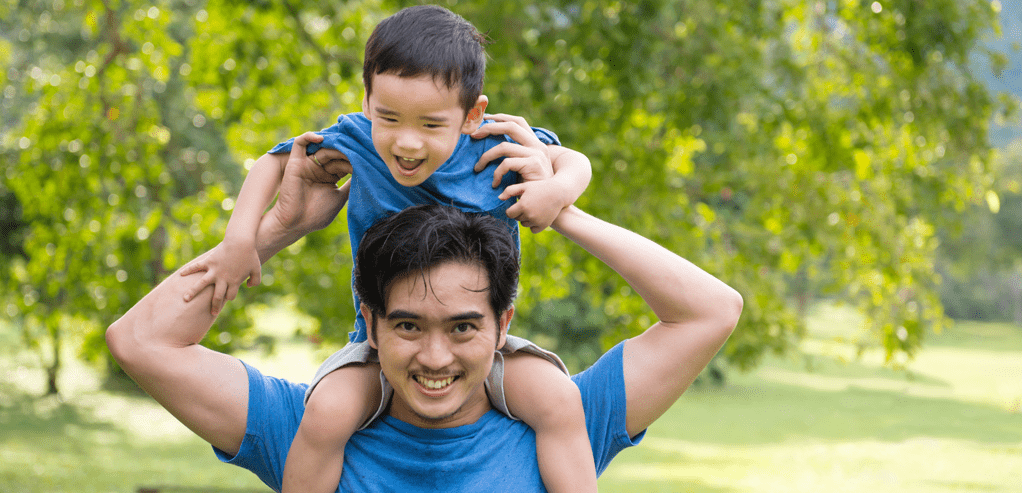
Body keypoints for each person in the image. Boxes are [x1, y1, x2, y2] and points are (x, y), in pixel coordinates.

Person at [105, 121, 743, 490]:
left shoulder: (563, 419)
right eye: (408, 324)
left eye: (464, 325)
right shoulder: (307, 430)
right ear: (371, 322)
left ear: (504, 324)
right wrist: (273, 231)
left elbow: (712, 310)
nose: (435, 356)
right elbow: (140, 342)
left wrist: (559, 208)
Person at [174, 6, 595, 493]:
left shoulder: (493, 143)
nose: (407, 142)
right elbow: (273, 161)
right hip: (381, 348)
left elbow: (574, 161)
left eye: (431, 125)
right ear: (368, 101)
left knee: (559, 399)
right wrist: (240, 239)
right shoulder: (357, 138)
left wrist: (557, 192)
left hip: (474, 345)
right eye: (388, 117)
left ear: (472, 114)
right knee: (327, 411)